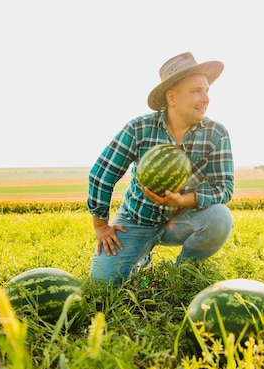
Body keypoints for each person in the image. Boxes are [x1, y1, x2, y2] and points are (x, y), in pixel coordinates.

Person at [87, 52, 234, 284]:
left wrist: (182, 201)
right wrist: (101, 226)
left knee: (220, 217)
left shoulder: (216, 133)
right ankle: (141, 257)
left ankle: (186, 268)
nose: (206, 98)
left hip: (184, 218)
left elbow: (224, 188)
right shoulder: (139, 128)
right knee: (103, 283)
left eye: (207, 90)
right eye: (196, 91)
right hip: (136, 219)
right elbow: (102, 174)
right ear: (172, 97)